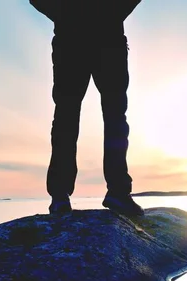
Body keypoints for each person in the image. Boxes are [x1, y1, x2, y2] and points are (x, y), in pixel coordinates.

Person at [30, 0, 144, 216]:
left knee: (112, 117)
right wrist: (63, 15)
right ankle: (60, 195)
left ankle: (117, 192)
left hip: (107, 40)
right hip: (72, 41)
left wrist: (114, 13)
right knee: (68, 117)